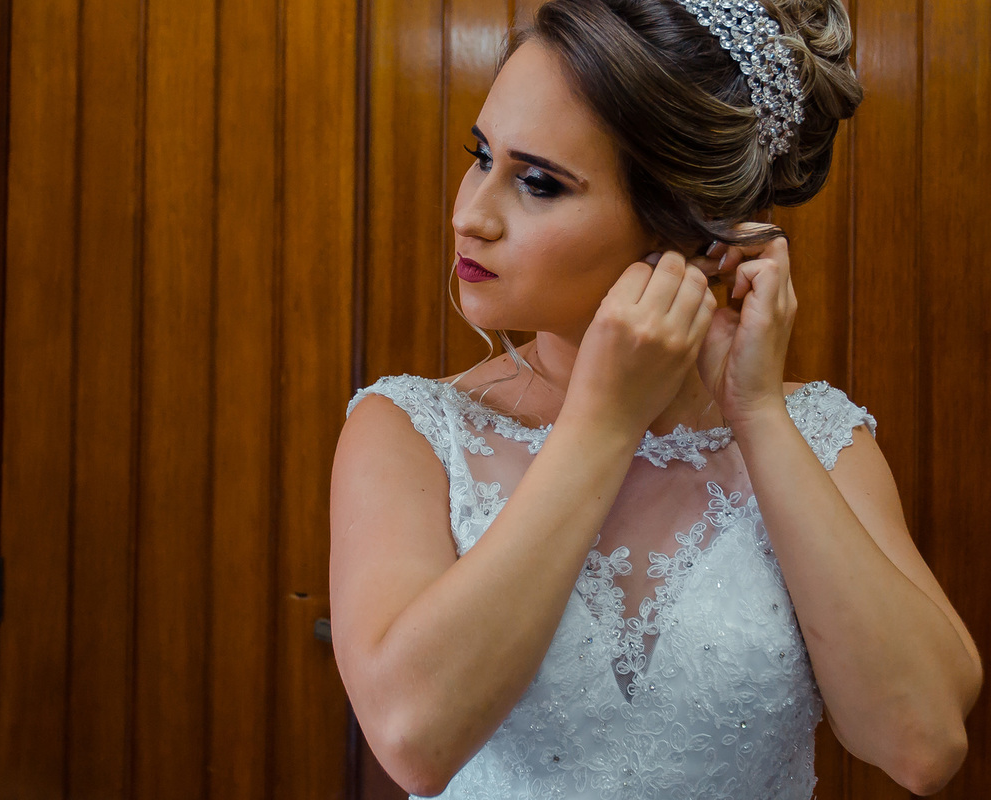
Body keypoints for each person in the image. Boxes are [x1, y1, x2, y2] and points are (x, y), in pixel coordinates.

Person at [329, 0, 982, 797]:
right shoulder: (408, 432)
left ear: (689, 227)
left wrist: (758, 416)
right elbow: (414, 740)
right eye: (482, 156)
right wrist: (603, 423)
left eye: (538, 183)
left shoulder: (821, 438)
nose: (470, 214)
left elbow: (923, 746)